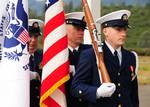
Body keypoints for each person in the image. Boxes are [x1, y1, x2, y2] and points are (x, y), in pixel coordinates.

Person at [71, 10, 139, 107]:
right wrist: (97, 92)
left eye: (125, 29)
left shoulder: (131, 56)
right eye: (118, 29)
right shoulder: (91, 55)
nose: (123, 33)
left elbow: (133, 93)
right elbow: (76, 87)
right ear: (105, 31)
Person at [65, 12, 92, 107]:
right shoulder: (57, 55)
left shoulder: (90, 51)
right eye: (77, 29)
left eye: (82, 29)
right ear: (65, 29)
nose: (81, 33)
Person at [28, 24, 43, 107]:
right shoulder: (15, 59)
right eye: (30, 36)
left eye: (36, 36)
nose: (33, 40)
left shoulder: (44, 56)